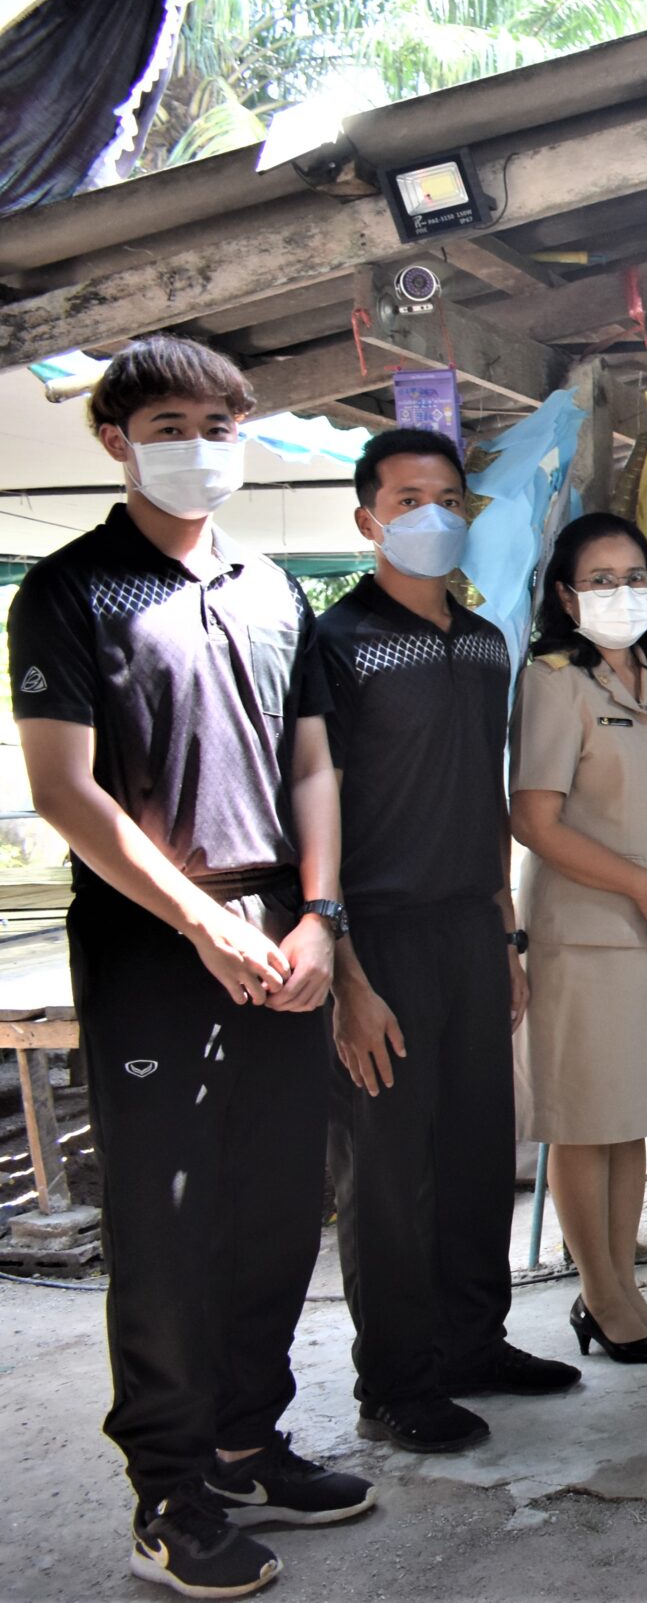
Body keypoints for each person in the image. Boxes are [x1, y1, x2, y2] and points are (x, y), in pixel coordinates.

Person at [12, 337, 374, 1598]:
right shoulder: (69, 588)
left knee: (277, 1199)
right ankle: (167, 1492)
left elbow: (312, 764)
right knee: (167, 1217)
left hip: (283, 928)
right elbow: (65, 790)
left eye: (221, 423)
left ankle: (244, 1439)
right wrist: (200, 923)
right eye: (170, 424)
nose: (201, 445)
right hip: (152, 938)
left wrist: (317, 916)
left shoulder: (273, 589)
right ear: (116, 439)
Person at [320, 428, 579, 1455]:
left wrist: (507, 935)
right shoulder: (337, 641)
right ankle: (394, 1380)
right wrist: (344, 970)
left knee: (476, 1147)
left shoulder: (483, 641)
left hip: (473, 926)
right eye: (408, 498)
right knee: (389, 1169)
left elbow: (485, 795)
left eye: (449, 499)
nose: (433, 516)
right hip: (377, 935)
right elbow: (314, 811)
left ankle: (474, 1341)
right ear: (368, 518)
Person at [510, 514, 647, 1361]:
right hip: (589, 931)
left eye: (635, 576)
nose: (622, 592)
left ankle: (624, 1284)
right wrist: (642, 884)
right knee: (584, 1120)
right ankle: (598, 1295)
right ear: (567, 596)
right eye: (600, 579)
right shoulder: (554, 681)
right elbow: (535, 819)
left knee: (631, 1118)